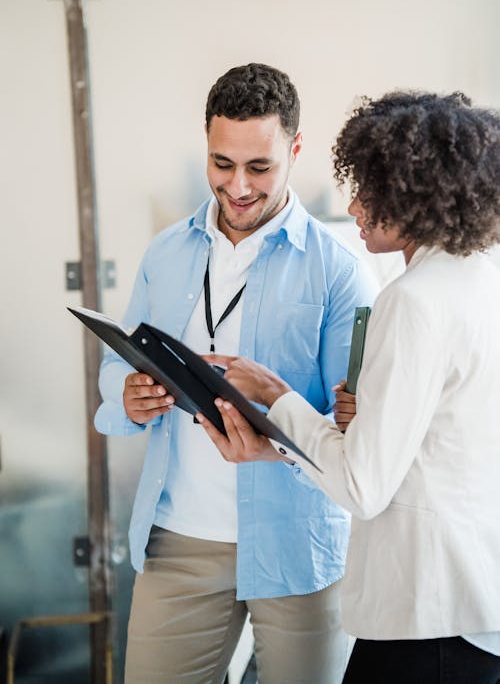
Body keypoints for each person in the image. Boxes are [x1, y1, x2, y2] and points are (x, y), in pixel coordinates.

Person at [197, 91, 500, 684]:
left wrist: (274, 395)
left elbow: (363, 486)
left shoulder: (412, 301)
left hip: (425, 618)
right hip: (476, 607)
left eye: (370, 190)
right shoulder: (481, 280)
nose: (355, 206)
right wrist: (302, 437)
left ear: (417, 197)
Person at [94, 62, 376, 684]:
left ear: (295, 150)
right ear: (206, 144)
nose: (239, 186)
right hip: (180, 543)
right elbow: (115, 366)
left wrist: (277, 437)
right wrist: (128, 393)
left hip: (299, 545)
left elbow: (355, 428)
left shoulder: (340, 270)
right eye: (222, 164)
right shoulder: (166, 253)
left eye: (260, 167)